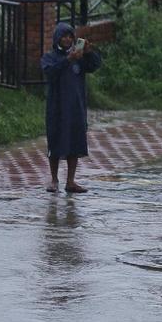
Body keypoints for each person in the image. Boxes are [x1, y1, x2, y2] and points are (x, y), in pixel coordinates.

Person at [41, 23, 102, 194]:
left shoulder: (80, 58)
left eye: (70, 36)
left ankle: (70, 181)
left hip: (76, 107)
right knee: (55, 141)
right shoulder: (50, 57)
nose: (67, 39)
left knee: (75, 141)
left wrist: (88, 53)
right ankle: (54, 180)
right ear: (57, 38)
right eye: (64, 36)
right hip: (57, 108)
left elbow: (95, 65)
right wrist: (68, 60)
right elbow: (50, 72)